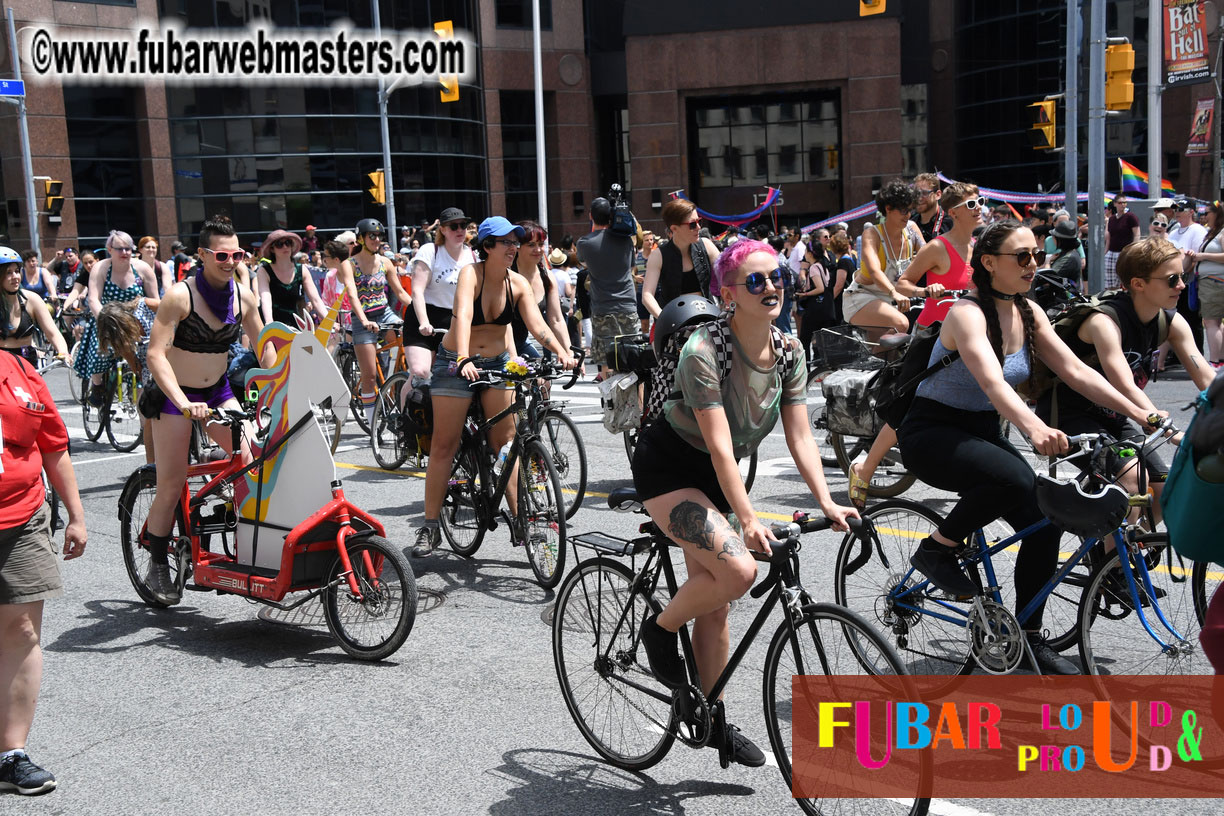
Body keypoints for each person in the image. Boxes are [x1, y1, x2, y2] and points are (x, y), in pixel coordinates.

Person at [631, 239, 856, 765]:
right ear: (727, 294)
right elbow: (718, 445)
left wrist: (827, 502)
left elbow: (801, 437)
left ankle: (713, 719)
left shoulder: (789, 349)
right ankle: (659, 629)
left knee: (716, 605)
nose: (771, 286)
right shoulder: (703, 351)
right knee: (737, 572)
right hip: (671, 470)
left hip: (720, 476)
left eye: (776, 275)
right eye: (755, 280)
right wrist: (749, 520)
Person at [896, 220, 1156, 675]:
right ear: (989, 263)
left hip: (981, 430)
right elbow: (993, 382)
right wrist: (1035, 428)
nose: (1033, 264)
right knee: (1012, 477)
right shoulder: (966, 313)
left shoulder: (1030, 312)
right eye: (1022, 256)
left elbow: (1078, 372)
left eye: (1037, 255)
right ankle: (938, 549)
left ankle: (1030, 638)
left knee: (1043, 520)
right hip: (931, 432)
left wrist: (1142, 412)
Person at [412, 217, 576, 557]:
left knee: (506, 442)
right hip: (455, 361)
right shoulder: (471, 274)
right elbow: (464, 316)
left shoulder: (517, 283)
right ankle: (429, 527)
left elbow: (538, 325)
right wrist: (462, 358)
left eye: (516, 241)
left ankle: (522, 520)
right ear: (487, 247)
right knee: (445, 443)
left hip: (497, 362)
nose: (513, 247)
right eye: (506, 242)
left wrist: (563, 351)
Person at [1037, 237, 1215, 524]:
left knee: (1164, 489)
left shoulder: (1170, 321)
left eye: (1183, 276)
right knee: (1132, 485)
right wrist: (1163, 426)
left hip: (1115, 417)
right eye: (1172, 279)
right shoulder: (1104, 322)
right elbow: (1124, 383)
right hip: (1069, 416)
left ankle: (1123, 556)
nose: (1181, 285)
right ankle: (1116, 567)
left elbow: (1207, 377)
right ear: (1138, 283)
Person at [142, 215, 266, 605]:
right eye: (223, 254)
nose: (231, 261)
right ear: (203, 254)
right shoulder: (180, 295)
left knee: (253, 456)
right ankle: (158, 561)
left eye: (238, 254)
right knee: (172, 481)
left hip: (216, 392)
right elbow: (155, 355)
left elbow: (266, 344)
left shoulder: (244, 296)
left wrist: (281, 384)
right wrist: (181, 401)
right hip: (174, 398)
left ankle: (242, 534)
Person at [849, 183, 983, 506]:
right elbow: (904, 282)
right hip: (932, 334)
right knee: (908, 405)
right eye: (972, 204)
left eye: (981, 202)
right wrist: (926, 290)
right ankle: (865, 468)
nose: (979, 207)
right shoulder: (938, 248)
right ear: (953, 213)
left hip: (968, 336)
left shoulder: (978, 248)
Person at [0, 347, 87, 796]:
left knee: (21, 630)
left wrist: (75, 514)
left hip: (20, 515)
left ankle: (11, 754)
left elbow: (53, 444)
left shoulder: (19, 370)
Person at [72, 231, 160, 406]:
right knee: (99, 351)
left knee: (146, 363)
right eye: (120, 249)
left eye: (128, 249)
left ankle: (142, 410)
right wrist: (105, 320)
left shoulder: (143, 269)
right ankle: (98, 385)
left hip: (136, 323)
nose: (125, 253)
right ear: (109, 249)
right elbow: (93, 299)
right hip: (106, 319)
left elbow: (155, 300)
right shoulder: (101, 268)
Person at [339, 218, 412, 429]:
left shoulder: (385, 262)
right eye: (372, 236)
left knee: (405, 348)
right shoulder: (349, 264)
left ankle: (392, 389)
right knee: (369, 375)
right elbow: (352, 295)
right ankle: (372, 425)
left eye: (380, 236)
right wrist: (364, 320)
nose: (377, 240)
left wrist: (418, 309)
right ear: (361, 238)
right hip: (363, 319)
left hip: (385, 314)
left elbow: (399, 292)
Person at [404, 207, 476, 383]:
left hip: (454, 320)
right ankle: (404, 410)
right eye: (453, 226)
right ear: (442, 229)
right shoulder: (430, 250)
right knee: (420, 373)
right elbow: (417, 291)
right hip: (425, 316)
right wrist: (424, 322)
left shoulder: (472, 256)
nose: (460, 230)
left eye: (463, 225)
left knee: (452, 378)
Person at [842, 179, 920, 336]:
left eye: (911, 210)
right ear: (889, 208)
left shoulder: (911, 230)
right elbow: (874, 271)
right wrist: (894, 292)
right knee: (901, 324)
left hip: (892, 302)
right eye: (904, 210)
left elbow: (928, 253)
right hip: (862, 298)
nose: (908, 215)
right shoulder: (872, 234)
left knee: (888, 353)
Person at [577, 198, 639, 376]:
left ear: (590, 216)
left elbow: (583, 263)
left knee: (606, 362)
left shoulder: (584, 243)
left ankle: (611, 401)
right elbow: (630, 265)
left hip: (602, 308)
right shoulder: (626, 240)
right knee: (633, 358)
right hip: (627, 305)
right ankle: (636, 401)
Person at [642, 199, 721, 318]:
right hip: (674, 321)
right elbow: (647, 295)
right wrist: (664, 319)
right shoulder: (658, 255)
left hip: (707, 317)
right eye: (692, 224)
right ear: (674, 228)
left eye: (699, 221)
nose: (698, 227)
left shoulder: (706, 245)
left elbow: (729, 276)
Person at [0, 249, 69, 366]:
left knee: (38, 384)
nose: (15, 276)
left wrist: (63, 352)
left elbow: (52, 332)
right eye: (8, 273)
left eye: (17, 271)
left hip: (26, 361)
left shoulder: (32, 299)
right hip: (3, 364)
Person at [512, 220, 569, 360]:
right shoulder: (507, 275)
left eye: (541, 244)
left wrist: (569, 352)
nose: (538, 250)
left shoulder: (547, 277)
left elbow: (556, 319)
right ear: (518, 246)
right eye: (531, 245)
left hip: (520, 342)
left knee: (544, 381)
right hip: (497, 345)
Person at [255, 229, 327, 327]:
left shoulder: (302, 269)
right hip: (270, 323)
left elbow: (316, 300)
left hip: (294, 323)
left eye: (288, 243)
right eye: (279, 244)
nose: (285, 246)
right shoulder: (264, 270)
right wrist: (269, 323)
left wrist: (329, 321)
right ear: (272, 249)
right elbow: (265, 298)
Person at [1183, 199, 1224, 368]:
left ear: (1217, 214)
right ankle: (1219, 361)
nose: (1203, 216)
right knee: (1216, 322)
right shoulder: (1212, 232)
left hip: (1214, 281)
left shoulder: (1221, 233)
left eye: (1206, 213)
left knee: (1211, 322)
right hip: (1211, 281)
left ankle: (1214, 361)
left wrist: (1203, 256)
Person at [1104, 193, 1140, 290]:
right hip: (1111, 253)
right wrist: (1105, 252)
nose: (1123, 205)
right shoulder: (1111, 219)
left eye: (1125, 203)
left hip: (1124, 252)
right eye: (1120, 203)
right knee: (1109, 283)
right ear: (1115, 204)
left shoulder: (1130, 217)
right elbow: (1109, 237)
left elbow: (1137, 235)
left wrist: (1132, 251)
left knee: (1125, 280)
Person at [911, 172, 948, 242]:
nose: (919, 198)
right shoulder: (910, 222)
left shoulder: (949, 222)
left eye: (924, 193)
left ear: (938, 195)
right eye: (916, 193)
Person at [1046, 219, 1084, 285]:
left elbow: (1048, 280)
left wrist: (1047, 263)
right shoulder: (1067, 254)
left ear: (1060, 240)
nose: (1052, 238)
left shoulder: (1069, 258)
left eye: (1054, 237)